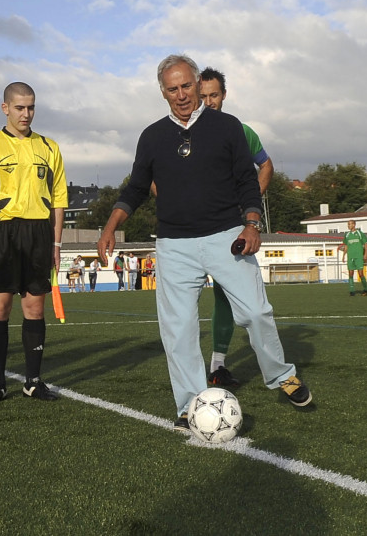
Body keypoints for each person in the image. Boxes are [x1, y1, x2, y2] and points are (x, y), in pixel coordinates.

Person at [97, 54, 312, 433]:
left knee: (256, 313)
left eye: (186, 86)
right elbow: (134, 188)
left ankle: (281, 376)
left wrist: (251, 224)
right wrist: (110, 226)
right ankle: (190, 404)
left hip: (227, 237)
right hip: (174, 245)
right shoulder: (151, 137)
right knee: (177, 329)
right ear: (162, 92)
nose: (180, 95)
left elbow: (248, 181)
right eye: (171, 88)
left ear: (198, 85)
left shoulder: (228, 127)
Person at [0, 81, 68, 404]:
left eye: (31, 107)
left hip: (39, 232)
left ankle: (33, 381)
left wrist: (56, 244)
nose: (26, 114)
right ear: (5, 108)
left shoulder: (49, 147)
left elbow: (59, 200)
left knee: (34, 308)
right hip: (0, 232)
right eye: (20, 108)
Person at [195, 66, 277, 387]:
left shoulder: (242, 131)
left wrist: (249, 206)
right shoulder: (184, 133)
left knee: (226, 294)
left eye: (214, 95)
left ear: (224, 96)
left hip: (231, 228)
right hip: (193, 229)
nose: (209, 101)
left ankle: (217, 367)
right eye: (203, 96)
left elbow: (266, 164)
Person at [339, 220, 367, 296]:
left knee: (360, 274)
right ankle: (352, 291)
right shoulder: (347, 234)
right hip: (350, 257)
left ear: (354, 225)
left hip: (358, 256)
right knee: (350, 274)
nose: (349, 226)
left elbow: (365, 244)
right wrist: (343, 256)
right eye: (348, 224)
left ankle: (365, 289)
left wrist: (365, 254)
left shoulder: (359, 233)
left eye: (350, 224)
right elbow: (346, 246)